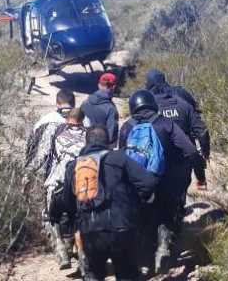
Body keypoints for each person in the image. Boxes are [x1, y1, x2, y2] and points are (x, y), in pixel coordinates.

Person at [51, 126, 158, 281]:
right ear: (107, 142)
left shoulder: (74, 166)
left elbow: (67, 202)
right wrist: (134, 202)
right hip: (122, 228)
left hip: (90, 232)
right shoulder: (120, 158)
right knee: (127, 274)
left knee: (94, 274)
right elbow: (148, 182)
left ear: (86, 142)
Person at [119, 90, 205, 275]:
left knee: (143, 219)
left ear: (133, 107)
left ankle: (145, 263)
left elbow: (122, 157)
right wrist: (197, 171)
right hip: (165, 180)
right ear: (152, 104)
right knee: (166, 212)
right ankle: (164, 247)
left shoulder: (126, 127)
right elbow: (190, 151)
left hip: (138, 183)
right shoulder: (166, 124)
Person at [145, 69, 210, 190]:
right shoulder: (181, 94)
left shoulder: (147, 101)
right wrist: (205, 151)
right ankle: (201, 180)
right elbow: (201, 129)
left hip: (157, 157)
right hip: (184, 154)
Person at [41, 108, 88, 270]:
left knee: (51, 215)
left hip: (58, 181)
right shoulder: (88, 135)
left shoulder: (56, 132)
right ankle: (82, 255)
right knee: (79, 218)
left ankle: (61, 248)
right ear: (83, 120)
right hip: (80, 182)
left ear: (67, 119)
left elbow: (44, 156)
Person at [27, 89, 76, 176]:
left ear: (57, 103)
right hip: (76, 173)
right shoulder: (85, 121)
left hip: (48, 172)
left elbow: (31, 145)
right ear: (74, 104)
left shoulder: (46, 120)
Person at [81, 72, 119, 146]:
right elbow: (111, 135)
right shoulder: (111, 109)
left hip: (85, 146)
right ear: (114, 87)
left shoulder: (85, 103)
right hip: (101, 148)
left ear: (98, 85)